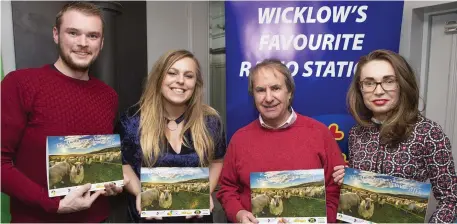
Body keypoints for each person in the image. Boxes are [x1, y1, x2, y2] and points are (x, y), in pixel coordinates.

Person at [1, 2, 125, 222]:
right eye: (73, 33)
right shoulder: (20, 84)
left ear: (102, 42)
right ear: (56, 34)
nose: (83, 43)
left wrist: (111, 182)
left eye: (93, 36)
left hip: (97, 219)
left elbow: (99, 161)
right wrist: (51, 204)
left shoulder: (108, 96)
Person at [332, 49, 457, 223]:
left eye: (388, 81)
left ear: (402, 84)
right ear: (360, 89)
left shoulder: (428, 133)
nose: (379, 91)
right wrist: (350, 179)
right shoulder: (357, 133)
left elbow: (451, 199)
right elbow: (368, 187)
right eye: (369, 83)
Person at [217, 59, 345, 223]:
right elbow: (227, 188)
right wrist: (238, 213)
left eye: (276, 88)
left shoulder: (320, 134)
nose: (268, 98)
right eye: (261, 90)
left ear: (289, 92)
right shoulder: (239, 139)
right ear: (253, 95)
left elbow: (335, 189)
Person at [117, 49, 227, 223]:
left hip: (196, 217)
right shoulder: (132, 120)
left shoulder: (210, 121)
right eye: (172, 73)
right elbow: (123, 164)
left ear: (196, 83)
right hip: (149, 217)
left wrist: (205, 193)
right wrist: (140, 193)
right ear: (159, 78)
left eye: (189, 76)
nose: (181, 81)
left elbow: (217, 161)